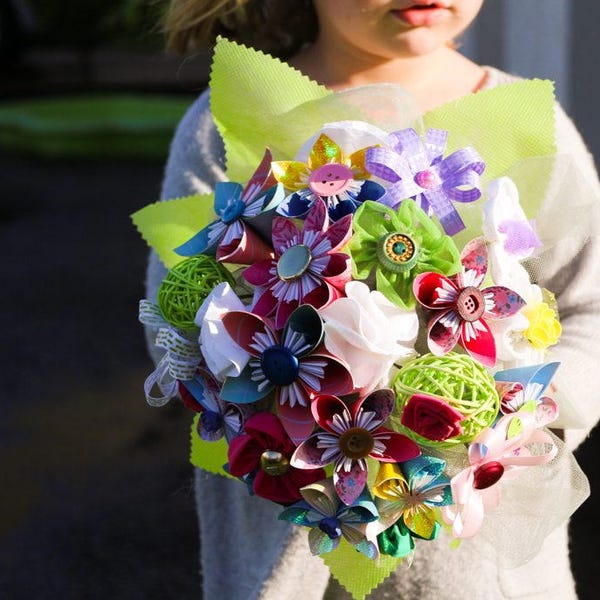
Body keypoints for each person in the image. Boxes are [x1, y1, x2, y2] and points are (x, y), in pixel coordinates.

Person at [146, 1, 600, 598]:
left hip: (482, 575)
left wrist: (503, 412)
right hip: (283, 559)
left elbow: (588, 308)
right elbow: (176, 316)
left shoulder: (529, 119)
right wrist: (287, 406)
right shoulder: (230, 118)